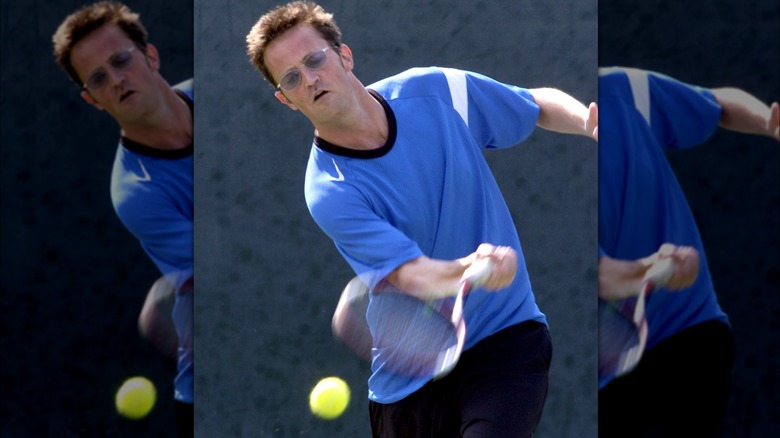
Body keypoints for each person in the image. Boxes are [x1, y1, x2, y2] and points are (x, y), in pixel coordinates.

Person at [246, 2, 597, 436]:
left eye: (315, 59)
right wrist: (470, 270)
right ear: (286, 100)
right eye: (292, 77)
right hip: (408, 384)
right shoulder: (329, 190)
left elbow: (532, 104)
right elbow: (410, 275)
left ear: (344, 56)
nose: (311, 78)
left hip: (505, 337)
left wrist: (588, 122)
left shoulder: (433, 91)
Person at [597, 66, 779, 437]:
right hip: (611, 368)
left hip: (690, 331)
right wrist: (654, 270)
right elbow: (602, 278)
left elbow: (718, 102)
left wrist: (770, 124)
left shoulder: (627, 89)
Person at [52, 2, 194, 435]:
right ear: (91, 98)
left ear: (150, 56)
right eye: (98, 78)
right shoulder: (136, 193)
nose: (115, 79)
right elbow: (229, 271)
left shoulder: (221, 102)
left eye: (120, 60)